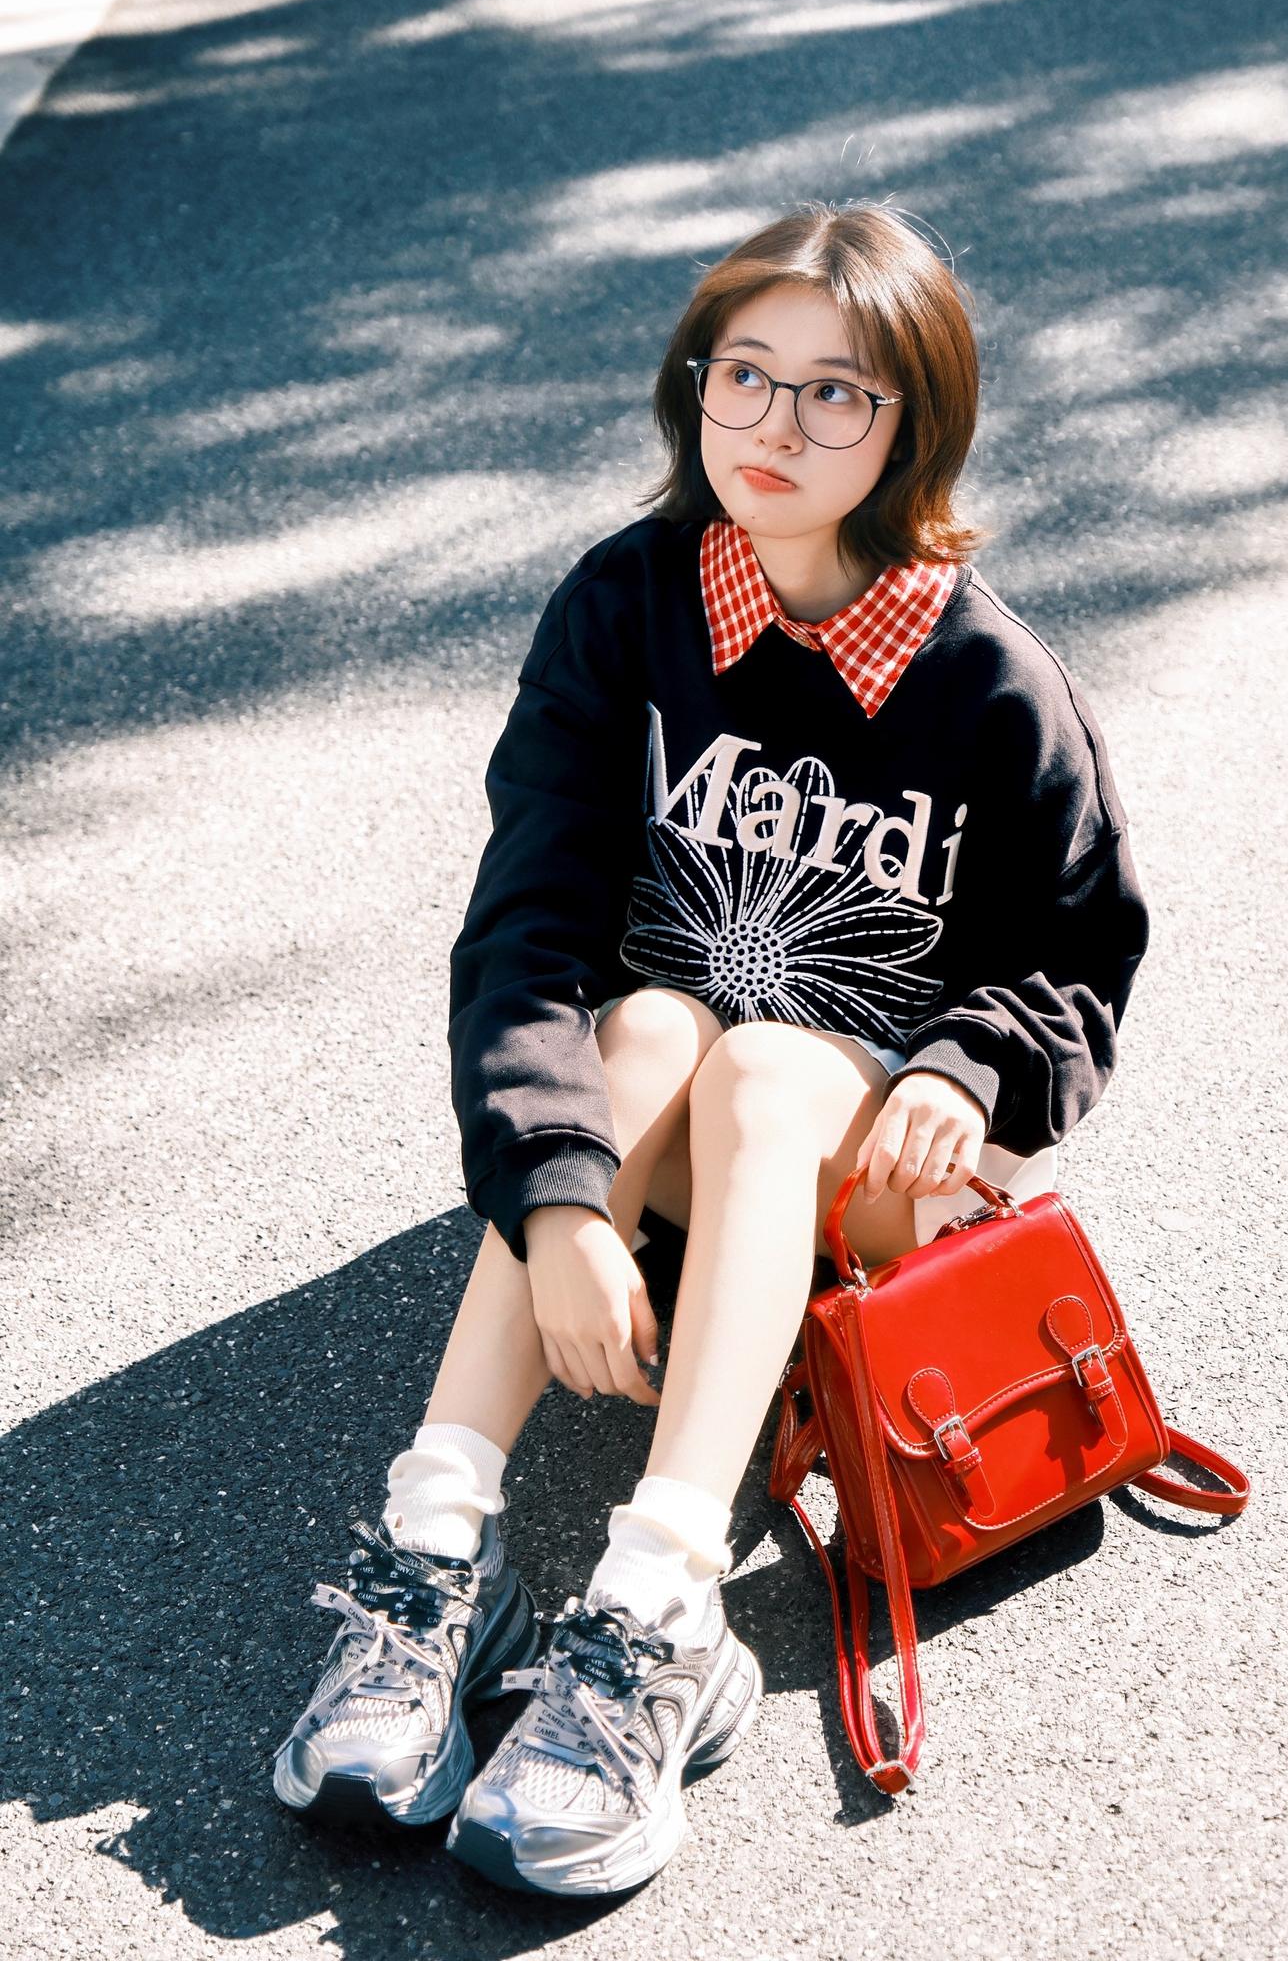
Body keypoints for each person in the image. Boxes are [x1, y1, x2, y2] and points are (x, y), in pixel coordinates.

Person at [272, 199, 1150, 1897]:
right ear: (694, 383)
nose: (775, 426)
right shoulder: (629, 602)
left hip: (868, 1177)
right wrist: (559, 1206)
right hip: (661, 1140)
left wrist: (963, 1068)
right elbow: (526, 925)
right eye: (743, 374)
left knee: (767, 1062)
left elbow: (1079, 952)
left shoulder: (989, 679)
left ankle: (664, 1601)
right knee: (662, 1022)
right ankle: (437, 1549)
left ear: (913, 426)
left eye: (837, 393)